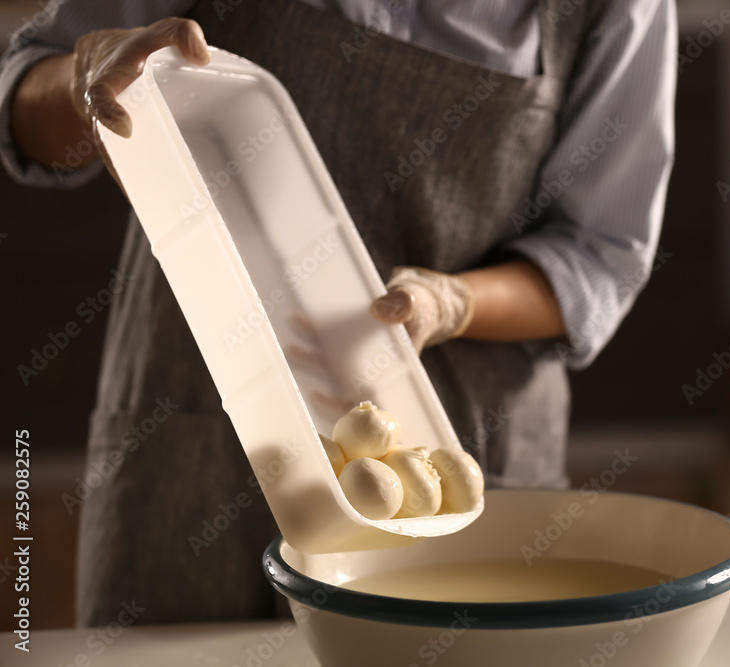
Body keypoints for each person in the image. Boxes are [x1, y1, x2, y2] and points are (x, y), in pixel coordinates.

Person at [1, 0, 676, 625]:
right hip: (194, 427)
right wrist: (81, 79)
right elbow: (23, 104)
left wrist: (454, 302)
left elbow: (601, 255)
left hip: (455, 435)